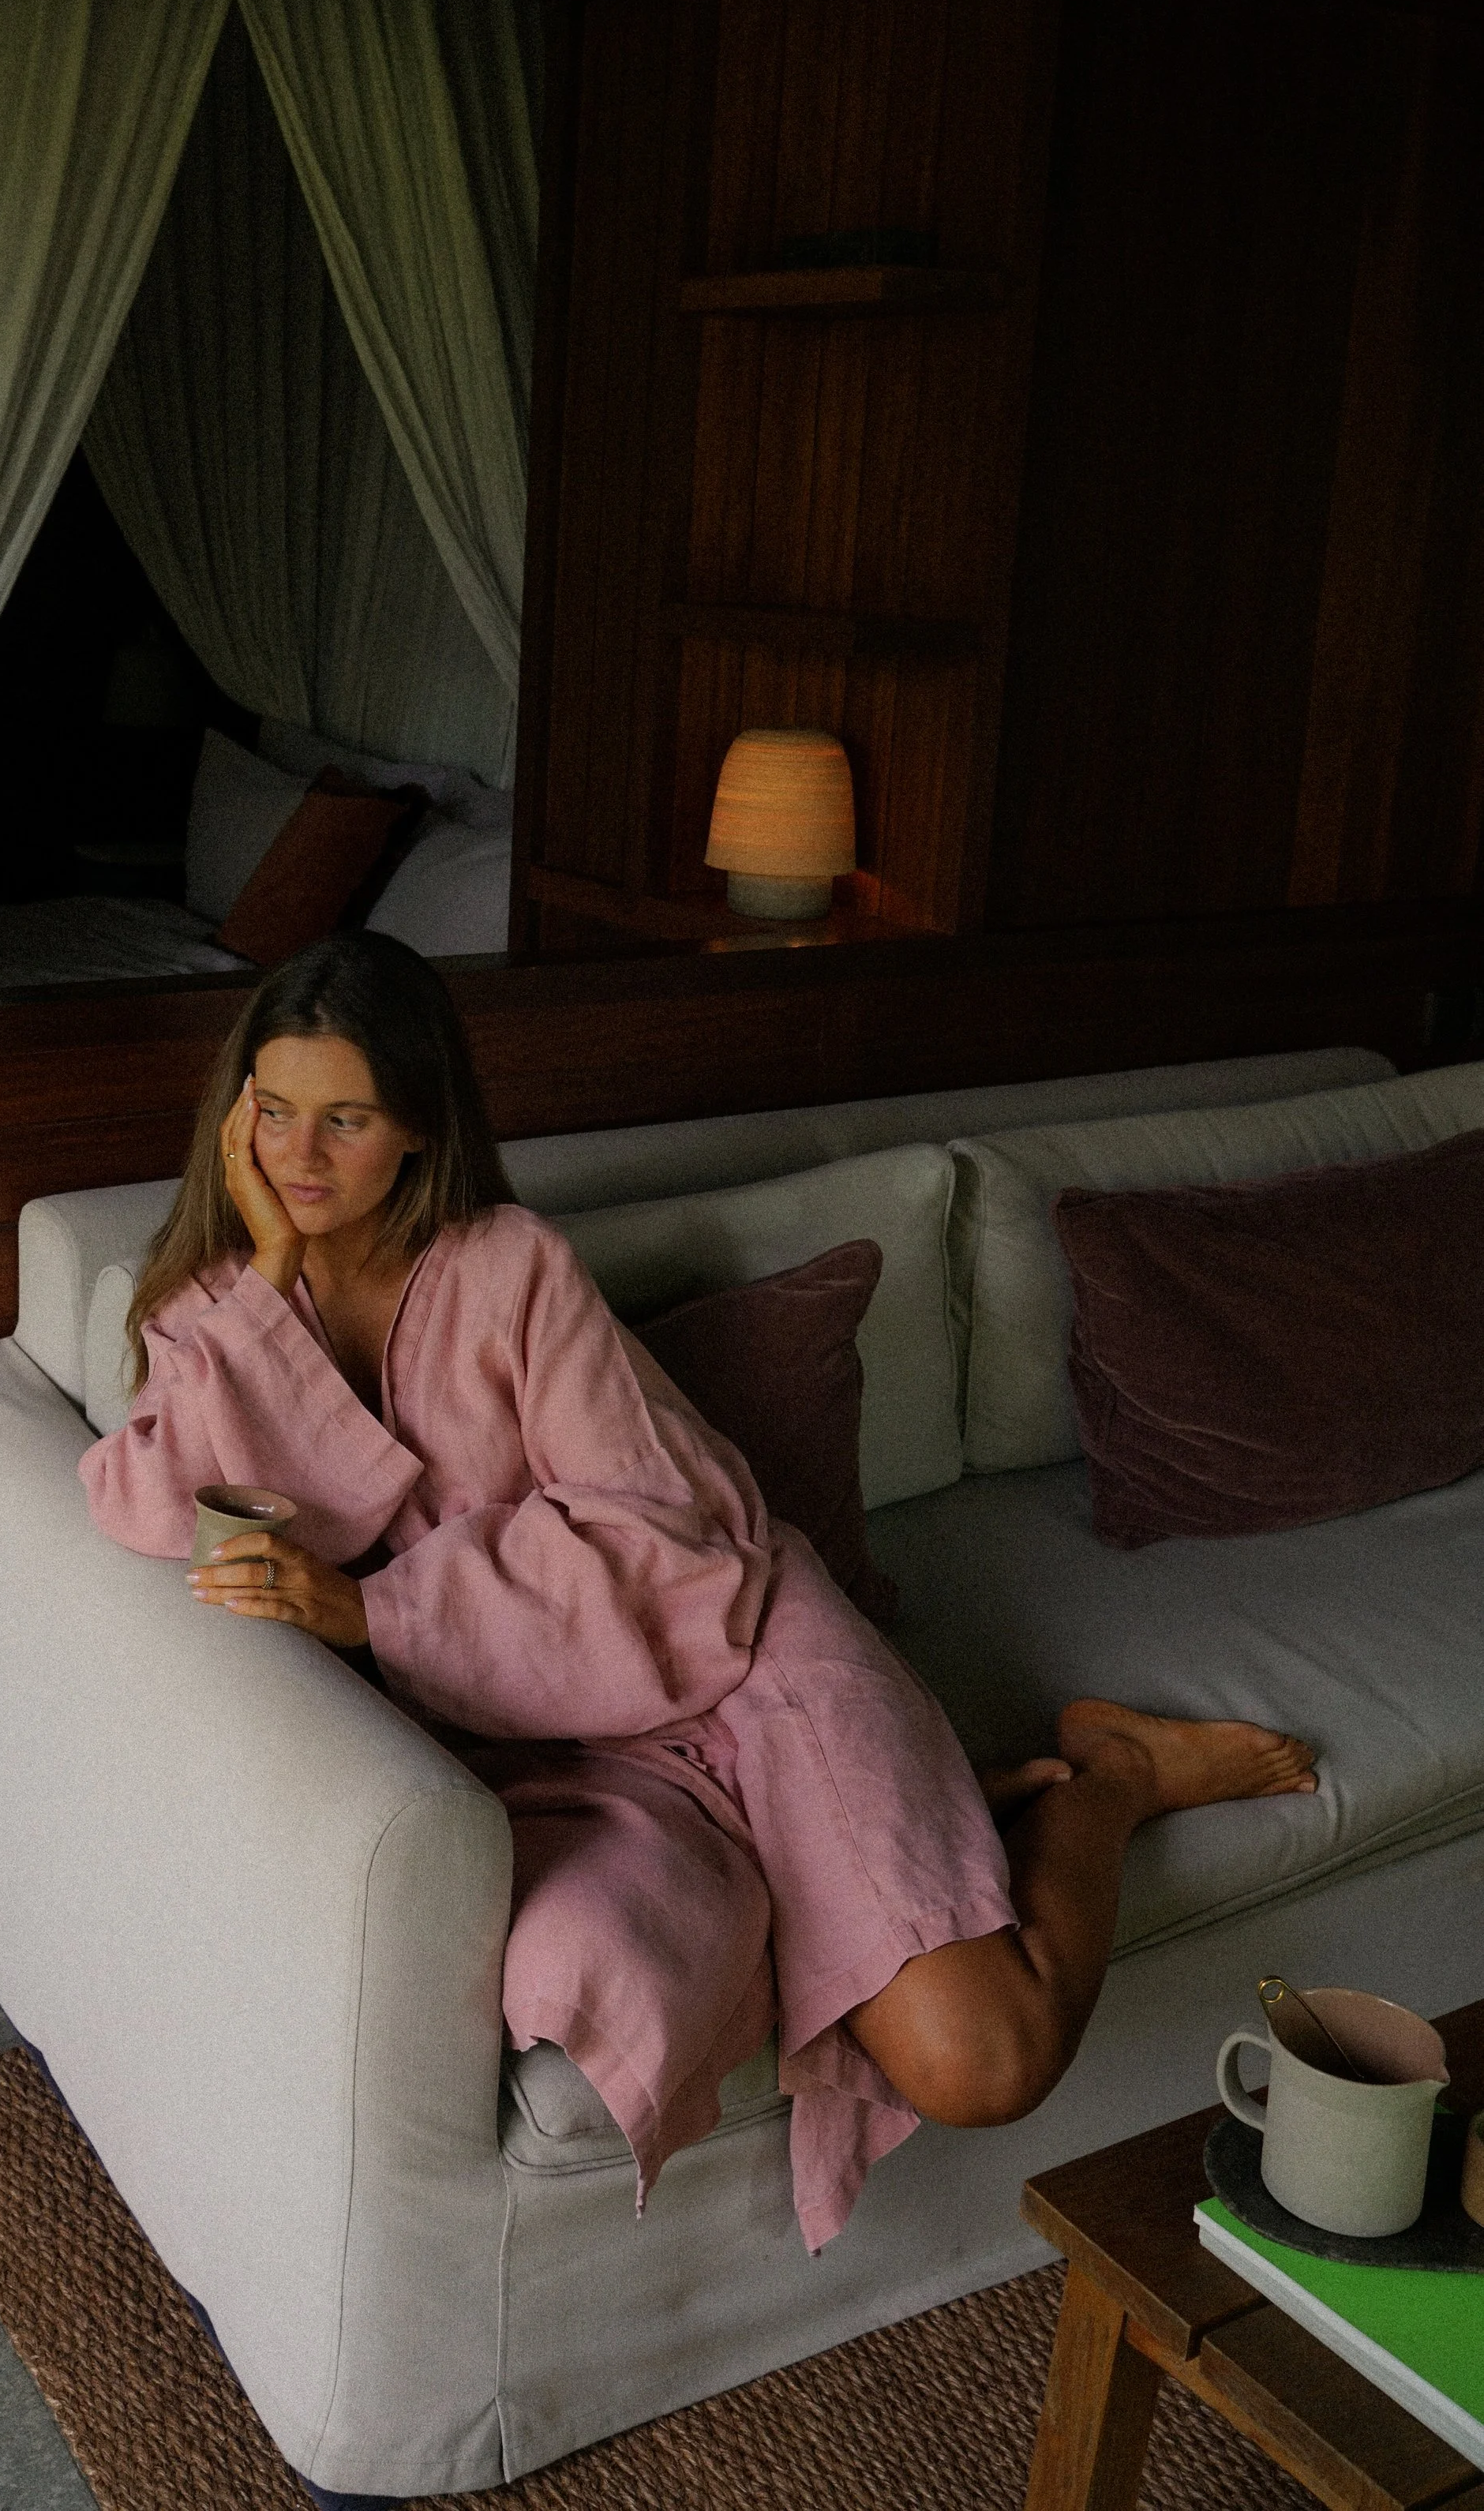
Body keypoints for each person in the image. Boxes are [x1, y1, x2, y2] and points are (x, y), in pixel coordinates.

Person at [82, 935, 1318, 2247]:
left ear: (419, 1129)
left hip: (742, 1654)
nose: (301, 1156)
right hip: (554, 1731)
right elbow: (146, 1499)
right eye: (272, 1111)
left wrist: (376, 1610)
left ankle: (1110, 1773)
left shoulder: (510, 1269)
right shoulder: (218, 1307)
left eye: (347, 1118)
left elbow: (659, 1537)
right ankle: (944, 1804)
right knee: (592, 1956)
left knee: (985, 2062)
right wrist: (267, 1282)